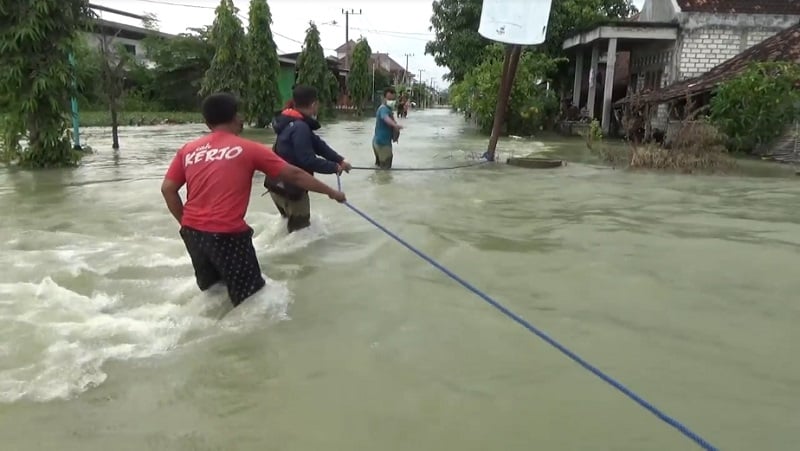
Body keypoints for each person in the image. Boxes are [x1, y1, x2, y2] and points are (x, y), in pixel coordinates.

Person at [161, 92, 346, 308]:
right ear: (235, 117)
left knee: (213, 295)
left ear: (206, 121)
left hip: (193, 233)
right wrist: (332, 192)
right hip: (228, 235)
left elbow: (167, 190)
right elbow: (295, 175)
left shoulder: (188, 150)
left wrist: (186, 223)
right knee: (253, 302)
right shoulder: (249, 149)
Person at [263, 85, 352, 233]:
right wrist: (334, 168)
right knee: (299, 236)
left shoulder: (289, 121)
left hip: (275, 186)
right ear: (314, 104)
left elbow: (318, 145)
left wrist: (340, 160)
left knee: (288, 229)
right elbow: (307, 160)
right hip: (292, 190)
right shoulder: (300, 127)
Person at [373, 87, 403, 169]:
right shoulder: (384, 109)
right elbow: (385, 118)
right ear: (383, 98)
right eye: (389, 99)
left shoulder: (387, 109)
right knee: (386, 169)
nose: (391, 101)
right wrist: (395, 125)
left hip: (377, 142)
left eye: (393, 99)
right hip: (383, 144)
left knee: (379, 168)